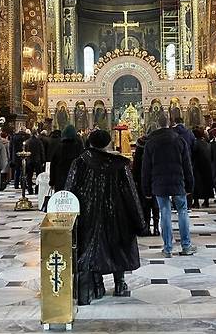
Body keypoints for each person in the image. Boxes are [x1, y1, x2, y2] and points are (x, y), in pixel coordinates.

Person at [65, 130, 146, 305]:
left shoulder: (79, 163)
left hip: (88, 215)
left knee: (92, 247)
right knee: (118, 246)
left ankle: (98, 285)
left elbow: (70, 190)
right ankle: (119, 284)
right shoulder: (119, 165)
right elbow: (131, 194)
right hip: (118, 214)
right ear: (108, 143)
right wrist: (139, 220)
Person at [142, 113, 196, 258]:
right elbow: (187, 165)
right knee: (182, 211)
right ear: (170, 123)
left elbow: (146, 169)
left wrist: (146, 189)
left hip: (159, 183)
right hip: (178, 181)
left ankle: (167, 248)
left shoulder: (151, 143)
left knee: (164, 212)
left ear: (157, 124)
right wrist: (190, 185)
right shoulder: (179, 140)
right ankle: (186, 245)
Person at [131, 127, 160, 235]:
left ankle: (147, 227)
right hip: (156, 177)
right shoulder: (157, 143)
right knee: (155, 203)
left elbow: (136, 163)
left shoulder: (140, 143)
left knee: (145, 203)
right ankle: (156, 228)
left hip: (142, 176)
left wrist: (135, 177)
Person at [50, 124, 84, 191]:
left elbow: (53, 166)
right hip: (75, 180)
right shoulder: (79, 147)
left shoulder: (59, 147)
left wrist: (52, 182)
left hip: (60, 180)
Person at [191, 127, 214, 208]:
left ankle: (196, 202)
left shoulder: (195, 143)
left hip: (197, 167)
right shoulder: (207, 144)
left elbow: (192, 155)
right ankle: (206, 201)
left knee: (197, 185)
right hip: (207, 166)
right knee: (206, 184)